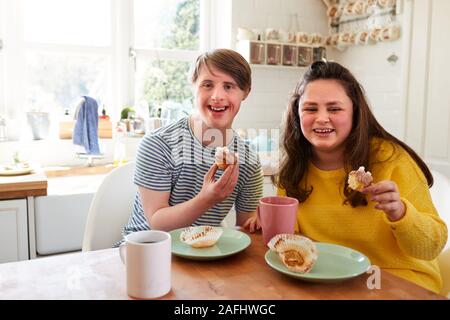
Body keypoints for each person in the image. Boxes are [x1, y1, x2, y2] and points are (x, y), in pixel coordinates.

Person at [274, 60, 448, 293]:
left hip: (397, 281)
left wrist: (401, 213)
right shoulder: (293, 169)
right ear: (297, 113)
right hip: (328, 279)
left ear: (355, 112)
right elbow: (291, 241)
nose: (322, 118)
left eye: (334, 109)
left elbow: (431, 247)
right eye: (311, 108)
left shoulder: (390, 159)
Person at [120, 49, 263, 242]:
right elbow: (157, 223)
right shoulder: (159, 144)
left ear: (245, 92)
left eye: (229, 86)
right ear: (193, 87)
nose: (217, 96)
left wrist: (259, 223)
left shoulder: (248, 160)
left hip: (201, 257)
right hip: (145, 252)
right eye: (207, 85)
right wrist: (207, 199)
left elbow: (246, 229)